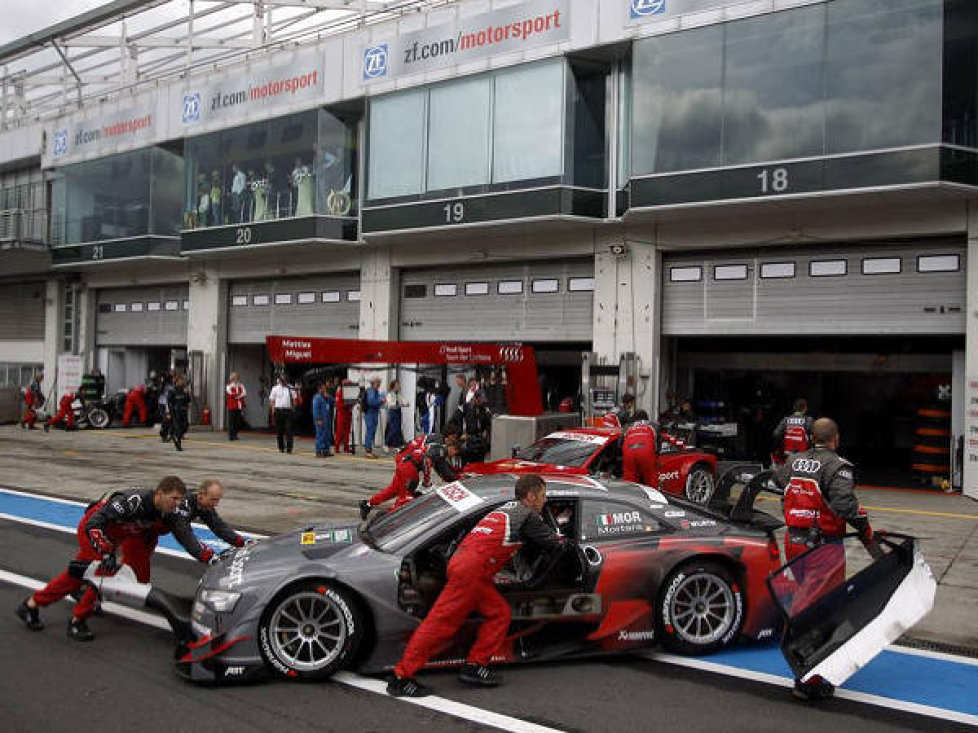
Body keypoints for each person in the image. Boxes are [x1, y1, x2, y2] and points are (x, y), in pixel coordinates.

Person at [387, 474, 565, 697]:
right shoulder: (528, 516)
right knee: (440, 624)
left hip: (467, 565)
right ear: (530, 496)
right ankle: (401, 677)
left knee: (499, 613)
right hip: (471, 571)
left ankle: (475, 666)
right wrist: (565, 536)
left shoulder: (506, 508)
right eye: (543, 495)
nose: (545, 500)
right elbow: (552, 543)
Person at [772, 417, 874, 702]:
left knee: (802, 603)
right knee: (821, 611)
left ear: (810, 438)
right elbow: (844, 506)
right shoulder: (837, 466)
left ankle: (803, 665)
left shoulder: (794, 462)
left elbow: (778, 481)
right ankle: (808, 680)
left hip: (794, 541)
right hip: (822, 547)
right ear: (836, 438)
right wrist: (864, 527)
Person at [15, 476, 187, 641]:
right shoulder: (134, 501)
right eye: (174, 498)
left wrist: (208, 557)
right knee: (98, 574)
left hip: (115, 535)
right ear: (160, 493)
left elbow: (187, 537)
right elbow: (95, 522)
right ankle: (75, 619)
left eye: (180, 500)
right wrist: (105, 552)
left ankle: (38, 603)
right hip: (95, 530)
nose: (177, 503)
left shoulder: (171, 511)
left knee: (91, 574)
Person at [119, 478, 248, 582]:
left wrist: (241, 542)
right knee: (139, 571)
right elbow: (184, 534)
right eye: (213, 500)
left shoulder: (202, 505)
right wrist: (208, 556)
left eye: (218, 500)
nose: (216, 504)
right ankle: (117, 589)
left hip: (150, 533)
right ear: (201, 495)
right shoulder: (182, 506)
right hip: (137, 531)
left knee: (138, 564)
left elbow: (218, 525)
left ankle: (120, 579)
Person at [360, 434, 459, 518]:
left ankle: (368, 504)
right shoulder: (440, 450)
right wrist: (426, 481)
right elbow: (427, 461)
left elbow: (444, 471)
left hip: (404, 461)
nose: (454, 455)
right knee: (406, 499)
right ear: (451, 446)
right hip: (409, 467)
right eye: (456, 451)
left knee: (394, 490)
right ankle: (386, 516)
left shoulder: (434, 442)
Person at [772, 398, 814, 465]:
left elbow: (776, 434)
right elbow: (814, 437)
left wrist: (785, 439)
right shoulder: (808, 420)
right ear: (805, 408)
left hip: (788, 453)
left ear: (794, 407)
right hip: (803, 454)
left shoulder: (786, 420)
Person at [621, 410, 657, 485]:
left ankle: (630, 495)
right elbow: (658, 443)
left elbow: (620, 443)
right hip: (645, 449)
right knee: (650, 478)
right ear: (647, 418)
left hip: (629, 450)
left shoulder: (627, 426)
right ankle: (652, 495)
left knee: (629, 480)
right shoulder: (654, 425)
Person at [268, 374, 297, 454]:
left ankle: (289, 448)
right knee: (279, 431)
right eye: (282, 380)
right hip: (278, 411)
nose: (283, 382)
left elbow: (295, 399)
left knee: (289, 430)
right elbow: (272, 400)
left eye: (284, 380)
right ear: (279, 380)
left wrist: (293, 408)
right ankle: (281, 447)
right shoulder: (275, 389)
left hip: (288, 411)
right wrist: (273, 410)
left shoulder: (290, 388)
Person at [167, 374, 190, 452]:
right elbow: (169, 402)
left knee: (185, 425)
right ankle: (178, 444)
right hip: (175, 412)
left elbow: (188, 400)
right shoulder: (172, 390)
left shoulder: (184, 390)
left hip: (183, 411)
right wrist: (169, 413)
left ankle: (172, 432)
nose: (182, 382)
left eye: (182, 381)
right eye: (181, 380)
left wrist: (187, 393)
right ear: (177, 381)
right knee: (178, 428)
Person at [363, 377, 385, 458]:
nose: (379, 384)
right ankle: (367, 450)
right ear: (373, 383)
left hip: (373, 413)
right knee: (370, 431)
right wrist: (380, 401)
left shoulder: (375, 391)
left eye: (379, 382)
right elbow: (371, 401)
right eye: (377, 382)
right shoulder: (371, 391)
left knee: (372, 432)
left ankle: (369, 449)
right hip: (370, 414)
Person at [312, 382, 333, 457]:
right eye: (323, 388)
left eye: (325, 388)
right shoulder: (317, 398)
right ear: (319, 389)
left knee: (327, 435)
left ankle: (326, 450)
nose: (324, 389)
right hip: (320, 419)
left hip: (327, 418)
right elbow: (315, 410)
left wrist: (328, 397)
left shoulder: (326, 397)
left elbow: (333, 401)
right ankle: (319, 451)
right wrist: (318, 419)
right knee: (320, 435)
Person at [385, 379, 406, 451]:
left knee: (398, 429)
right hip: (393, 412)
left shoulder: (399, 394)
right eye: (397, 385)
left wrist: (405, 403)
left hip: (398, 412)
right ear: (393, 386)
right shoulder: (389, 394)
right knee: (393, 429)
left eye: (399, 385)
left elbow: (403, 401)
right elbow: (390, 404)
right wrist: (399, 404)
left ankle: (396, 444)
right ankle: (386, 444)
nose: (399, 386)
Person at [225, 371, 247, 441]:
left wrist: (238, 396)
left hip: (239, 405)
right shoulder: (229, 385)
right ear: (232, 378)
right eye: (235, 377)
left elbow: (244, 393)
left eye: (237, 377)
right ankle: (231, 435)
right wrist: (238, 395)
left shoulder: (241, 385)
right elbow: (230, 394)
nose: (236, 378)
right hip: (232, 405)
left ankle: (235, 434)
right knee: (232, 420)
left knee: (238, 421)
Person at [335, 379, 355, 454]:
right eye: (347, 384)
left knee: (347, 431)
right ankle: (336, 447)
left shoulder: (349, 393)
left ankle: (346, 447)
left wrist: (352, 404)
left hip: (348, 413)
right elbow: (338, 404)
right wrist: (347, 405)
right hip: (341, 413)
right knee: (339, 431)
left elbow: (351, 402)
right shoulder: (340, 392)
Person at [158, 371, 174, 442]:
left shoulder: (172, 385)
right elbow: (160, 392)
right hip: (163, 404)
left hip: (170, 403)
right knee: (166, 419)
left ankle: (171, 434)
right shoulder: (163, 385)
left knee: (171, 420)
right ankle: (164, 435)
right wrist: (163, 382)